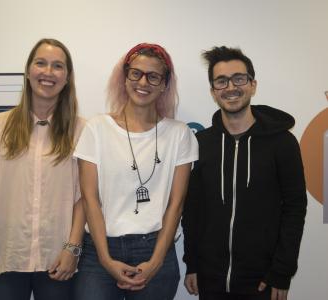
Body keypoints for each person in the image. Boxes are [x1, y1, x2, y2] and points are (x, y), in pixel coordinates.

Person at [72, 43, 198, 300]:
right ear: (125, 77)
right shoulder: (97, 128)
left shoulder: (179, 134)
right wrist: (106, 259)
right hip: (99, 249)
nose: (143, 82)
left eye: (153, 76)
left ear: (164, 84)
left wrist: (155, 261)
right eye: (136, 73)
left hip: (155, 247)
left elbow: (176, 204)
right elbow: (90, 198)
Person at [182, 46, 307, 300]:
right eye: (221, 81)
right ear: (213, 91)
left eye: (239, 78)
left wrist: (282, 271)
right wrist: (192, 263)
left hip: (263, 281)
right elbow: (192, 209)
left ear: (253, 85)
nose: (231, 87)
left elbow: (295, 208)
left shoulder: (282, 143)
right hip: (210, 280)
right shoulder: (201, 143)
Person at [0, 38, 86, 300]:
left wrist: (72, 250)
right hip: (6, 254)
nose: (47, 72)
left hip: (58, 259)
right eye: (40, 63)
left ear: (67, 78)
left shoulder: (82, 131)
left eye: (57, 66)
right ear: (28, 71)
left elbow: (84, 199)